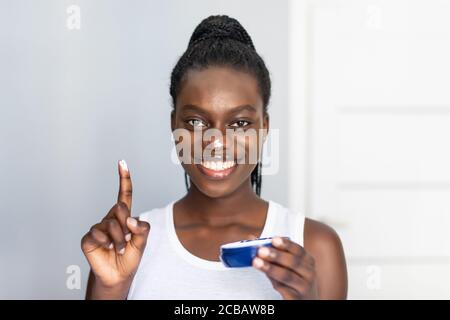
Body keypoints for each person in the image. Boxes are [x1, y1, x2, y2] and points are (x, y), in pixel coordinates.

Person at [81, 15, 347, 300]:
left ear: (264, 127)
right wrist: (109, 289)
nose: (216, 142)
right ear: (174, 125)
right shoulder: (127, 248)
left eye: (240, 123)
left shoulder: (316, 246)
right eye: (196, 122)